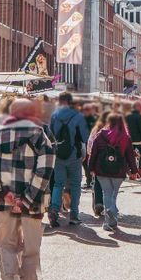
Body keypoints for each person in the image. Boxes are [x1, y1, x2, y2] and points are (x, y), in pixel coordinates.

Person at [0, 98, 55, 280]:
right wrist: (27, 198)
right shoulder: (39, 134)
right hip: (32, 205)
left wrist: (4, 193)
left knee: (5, 246)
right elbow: (46, 168)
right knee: (30, 247)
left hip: (3, 202)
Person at [88, 113, 139, 232]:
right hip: (119, 170)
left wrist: (91, 168)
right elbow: (130, 156)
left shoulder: (100, 135)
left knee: (106, 193)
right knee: (113, 194)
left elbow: (94, 152)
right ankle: (112, 214)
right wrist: (134, 171)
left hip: (102, 170)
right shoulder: (125, 137)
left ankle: (109, 219)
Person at [49, 91, 89, 227]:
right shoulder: (78, 116)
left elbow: (49, 136)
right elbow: (84, 137)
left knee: (58, 183)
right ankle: (74, 214)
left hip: (58, 155)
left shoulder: (53, 116)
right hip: (74, 155)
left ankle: (54, 209)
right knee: (76, 185)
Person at [125, 101, 141, 170]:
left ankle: (128, 169)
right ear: (137, 107)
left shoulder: (127, 116)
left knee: (129, 155)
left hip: (129, 140)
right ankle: (139, 170)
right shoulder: (140, 117)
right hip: (139, 141)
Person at [81, 103, 98, 188]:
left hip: (88, 144)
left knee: (88, 164)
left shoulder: (91, 119)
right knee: (87, 164)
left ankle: (90, 181)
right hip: (88, 143)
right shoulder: (93, 119)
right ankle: (90, 180)